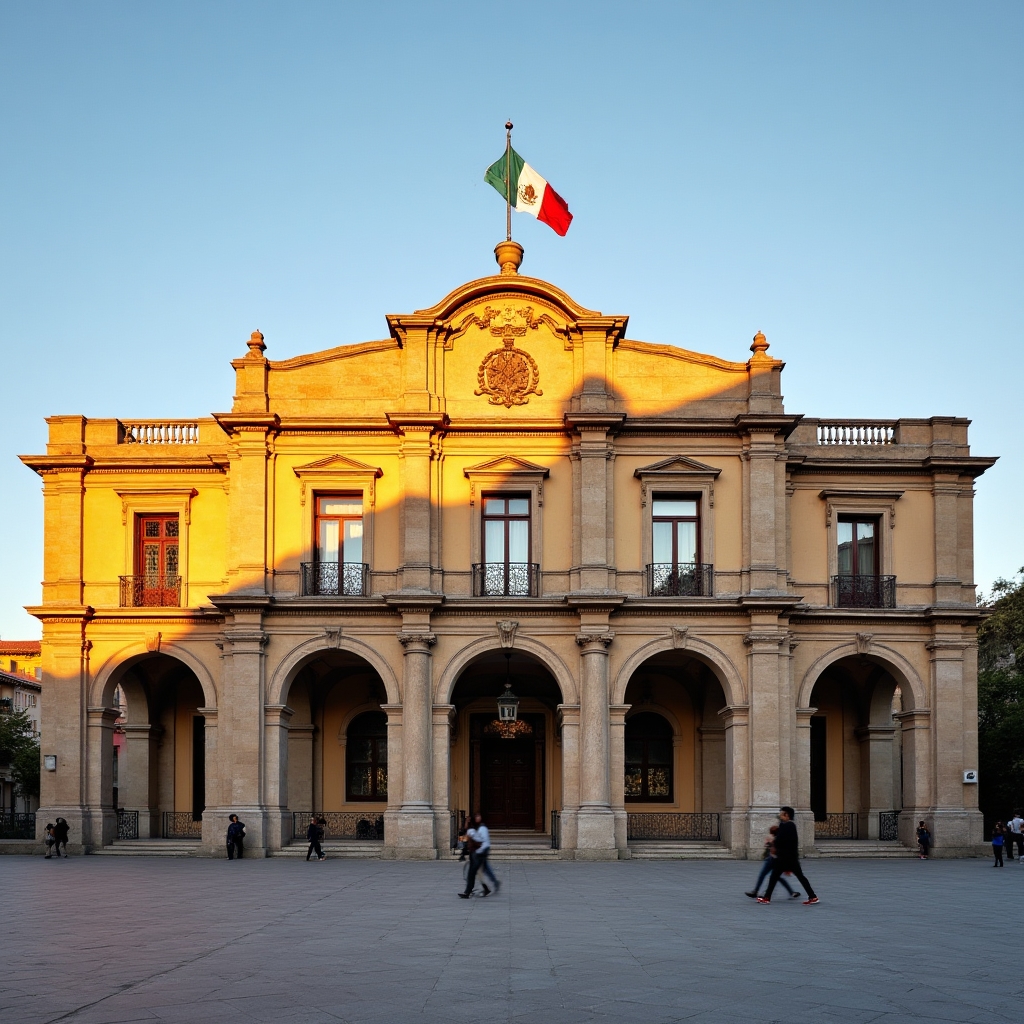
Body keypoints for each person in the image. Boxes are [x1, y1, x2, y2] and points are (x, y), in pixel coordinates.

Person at [757, 807, 818, 905]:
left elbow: (781, 840)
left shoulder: (787, 826)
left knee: (774, 877)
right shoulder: (789, 825)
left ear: (787, 815)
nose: (780, 816)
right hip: (790, 858)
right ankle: (813, 896)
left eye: (782, 814)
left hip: (784, 858)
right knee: (799, 877)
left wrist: (771, 842)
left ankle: (767, 898)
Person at [746, 825, 799, 899]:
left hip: (773, 860)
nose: (771, 834)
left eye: (772, 833)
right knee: (775, 877)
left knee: (767, 876)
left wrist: (769, 844)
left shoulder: (778, 840)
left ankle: (758, 892)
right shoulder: (778, 839)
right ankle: (791, 892)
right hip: (773, 860)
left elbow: (775, 850)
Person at [459, 812, 500, 899]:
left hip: (479, 854)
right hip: (475, 854)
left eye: (479, 816)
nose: (477, 818)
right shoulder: (473, 829)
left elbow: (484, 842)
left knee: (472, 873)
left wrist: (478, 851)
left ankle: (468, 892)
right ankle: (486, 888)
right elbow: (464, 836)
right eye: (476, 817)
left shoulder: (481, 828)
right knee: (478, 873)